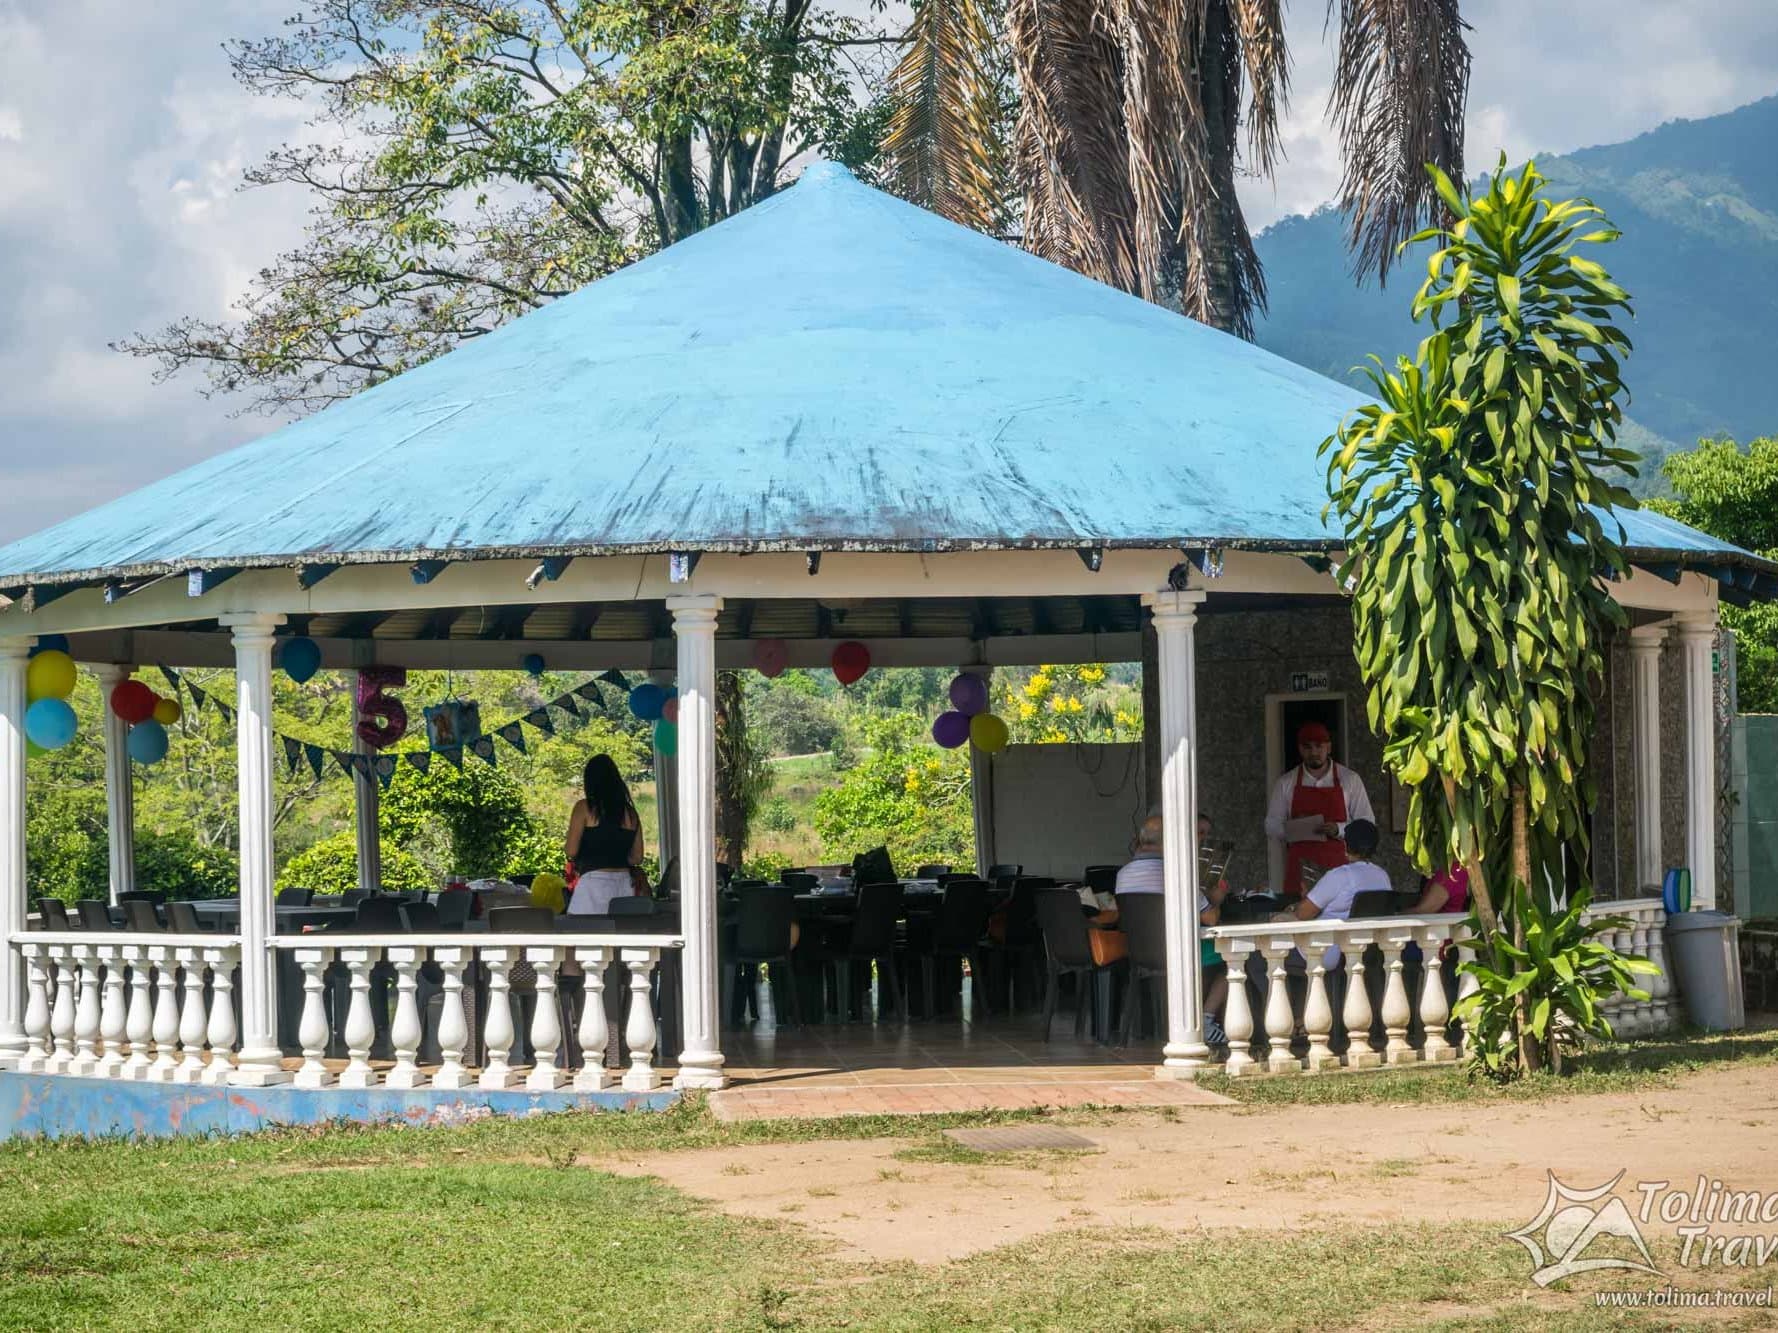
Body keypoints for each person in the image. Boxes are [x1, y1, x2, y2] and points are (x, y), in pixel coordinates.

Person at [1114, 812, 1231, 1035]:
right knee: (1232, 959)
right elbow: (1210, 918)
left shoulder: (1123, 874)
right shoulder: (1178, 875)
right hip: (1178, 952)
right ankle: (1206, 1019)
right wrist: (1217, 897)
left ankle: (1197, 1018)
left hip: (1140, 953)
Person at [1264, 721, 1375, 896]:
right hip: (1299, 869)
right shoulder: (1286, 783)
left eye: (1319, 746)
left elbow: (1367, 824)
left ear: (1329, 747)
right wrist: (1294, 828)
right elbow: (1271, 825)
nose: (1314, 752)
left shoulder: (1350, 779)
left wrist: (1338, 829)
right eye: (1307, 747)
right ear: (1300, 750)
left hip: (1339, 866)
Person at [1277, 817, 1388, 971]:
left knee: (1259, 955)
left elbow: (1302, 914)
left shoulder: (1340, 875)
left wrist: (1297, 904)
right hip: (1366, 951)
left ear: (1346, 844)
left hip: (1327, 953)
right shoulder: (1382, 876)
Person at [564, 754, 643, 915]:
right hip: (623, 883)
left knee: (585, 935)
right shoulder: (630, 813)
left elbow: (571, 850)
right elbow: (637, 858)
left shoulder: (584, 807)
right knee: (620, 936)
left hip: (593, 883)